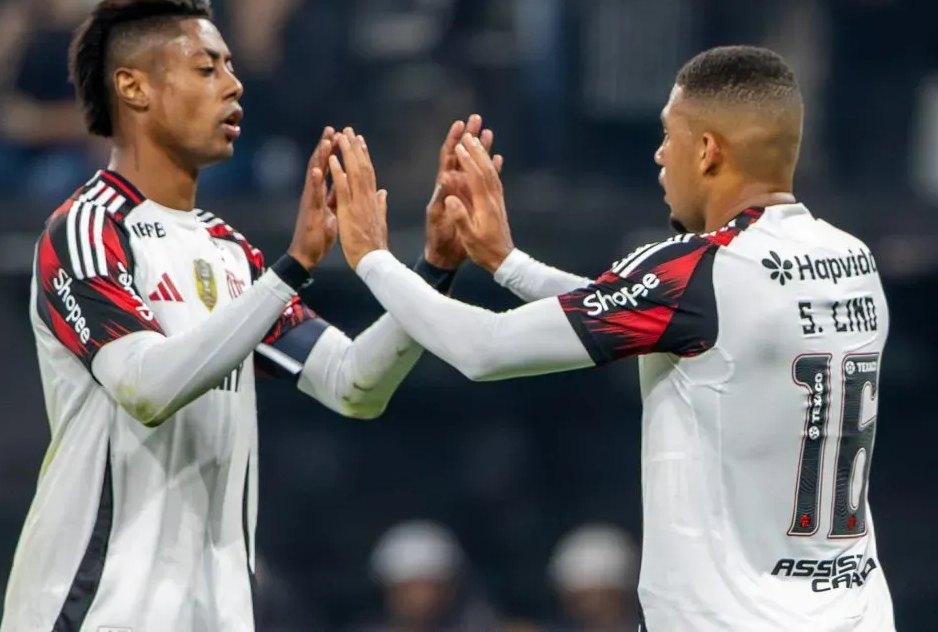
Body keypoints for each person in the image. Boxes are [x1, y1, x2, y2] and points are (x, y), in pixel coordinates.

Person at [329, 46, 895, 630]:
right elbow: (656, 317)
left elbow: (485, 348)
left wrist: (371, 255)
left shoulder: (699, 271)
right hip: (856, 613)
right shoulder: (850, 259)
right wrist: (507, 264)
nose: (658, 154)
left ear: (706, 151)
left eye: (667, 135)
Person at [0, 0, 499, 632]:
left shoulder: (229, 253)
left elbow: (355, 385)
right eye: (206, 69)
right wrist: (291, 270)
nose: (233, 87)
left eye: (232, 68)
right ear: (134, 87)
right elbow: (145, 386)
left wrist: (432, 269)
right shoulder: (88, 230)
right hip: (96, 609)